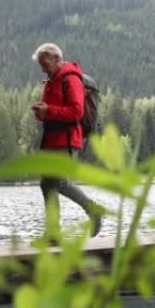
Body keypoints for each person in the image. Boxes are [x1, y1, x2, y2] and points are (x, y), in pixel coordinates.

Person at [30, 43, 103, 237]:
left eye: (44, 63)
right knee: (46, 184)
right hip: (50, 139)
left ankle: (93, 210)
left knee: (60, 182)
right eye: (41, 65)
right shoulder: (51, 81)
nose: (43, 68)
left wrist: (49, 111)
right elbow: (51, 111)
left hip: (66, 139)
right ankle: (53, 233)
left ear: (56, 58)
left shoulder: (70, 78)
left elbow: (76, 111)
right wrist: (41, 112)